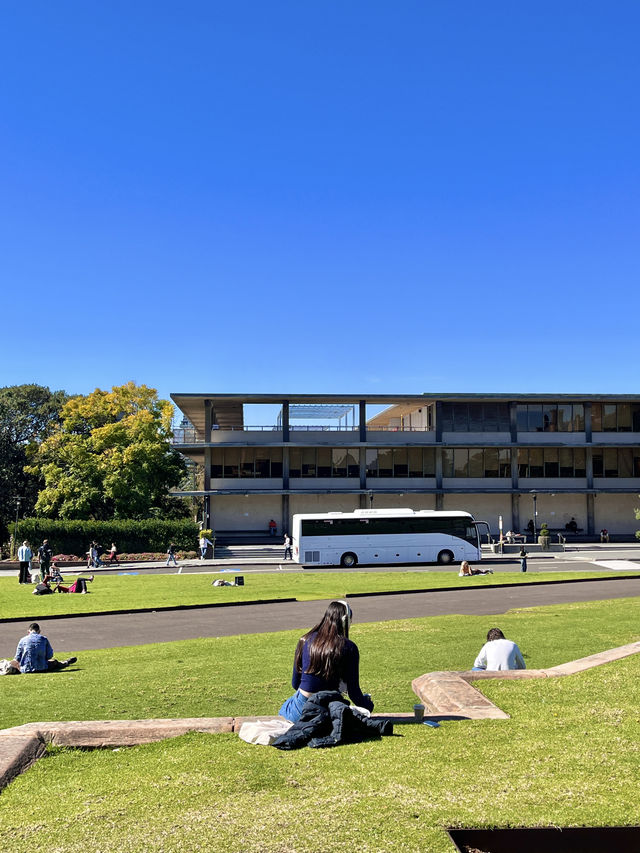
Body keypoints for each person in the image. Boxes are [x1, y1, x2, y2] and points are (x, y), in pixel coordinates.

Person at [279, 600, 374, 722]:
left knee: (287, 705)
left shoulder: (305, 639)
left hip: (299, 710)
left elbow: (295, 684)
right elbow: (354, 692)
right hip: (327, 709)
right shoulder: (349, 647)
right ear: (346, 621)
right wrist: (368, 706)